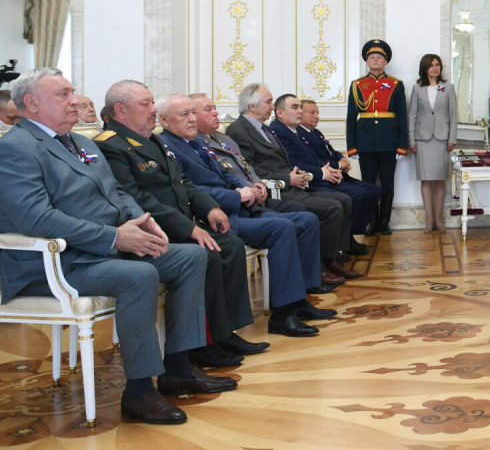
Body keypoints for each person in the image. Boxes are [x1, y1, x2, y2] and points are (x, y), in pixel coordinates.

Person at [0, 68, 222, 425]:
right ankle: (138, 392)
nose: (74, 100)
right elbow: (36, 219)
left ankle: (178, 367)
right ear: (31, 103)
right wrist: (116, 237)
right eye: (62, 95)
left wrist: (144, 221)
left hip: (100, 252)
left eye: (72, 92)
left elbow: (117, 192)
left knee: (190, 257)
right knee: (138, 276)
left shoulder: (82, 143)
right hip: (54, 264)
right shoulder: (14, 148)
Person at [96, 80, 262, 369]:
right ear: (120, 111)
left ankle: (224, 333)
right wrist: (190, 229)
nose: (152, 110)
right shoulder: (111, 145)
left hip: (180, 224)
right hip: (157, 231)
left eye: (152, 103)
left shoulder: (154, 140)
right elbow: (136, 199)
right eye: (145, 104)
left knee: (231, 245)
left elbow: (182, 183)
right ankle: (202, 344)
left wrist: (209, 207)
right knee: (210, 253)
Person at [157, 93, 331, 337]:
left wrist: (245, 186)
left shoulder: (197, 143)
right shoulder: (167, 147)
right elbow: (190, 189)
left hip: (241, 207)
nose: (193, 119)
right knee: (282, 227)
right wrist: (236, 196)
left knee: (306, 219)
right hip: (221, 216)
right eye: (186, 114)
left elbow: (224, 173)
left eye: (194, 113)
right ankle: (282, 315)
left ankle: (297, 300)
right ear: (164, 120)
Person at [190, 91, 343, 292]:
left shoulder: (221, 137)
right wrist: (247, 189)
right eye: (208, 110)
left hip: (256, 196)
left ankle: (310, 280)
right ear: (252, 106)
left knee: (308, 218)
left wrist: (255, 183)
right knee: (291, 220)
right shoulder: (217, 137)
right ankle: (292, 300)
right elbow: (203, 184)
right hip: (232, 208)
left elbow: (244, 166)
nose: (217, 113)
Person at [227, 83, 363, 282]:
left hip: (293, 185)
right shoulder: (239, 130)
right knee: (331, 206)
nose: (273, 107)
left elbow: (283, 160)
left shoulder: (263, 128)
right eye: (268, 102)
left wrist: (297, 174)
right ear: (252, 106)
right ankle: (319, 266)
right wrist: (287, 178)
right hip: (278, 192)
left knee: (342, 200)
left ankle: (329, 259)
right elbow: (250, 169)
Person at [345, 39, 408, 234]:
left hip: (389, 140)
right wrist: (352, 145)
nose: (375, 59)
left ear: (385, 61)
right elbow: (350, 116)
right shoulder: (357, 85)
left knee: (388, 183)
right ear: (366, 60)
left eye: (379, 57)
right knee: (368, 184)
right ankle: (371, 221)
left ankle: (384, 222)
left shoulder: (396, 84)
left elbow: (402, 117)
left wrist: (401, 145)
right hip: (365, 141)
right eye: (372, 56)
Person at [297, 98, 381, 238]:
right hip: (324, 178)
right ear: (300, 114)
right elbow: (315, 160)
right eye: (312, 113)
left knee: (374, 190)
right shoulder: (300, 133)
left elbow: (330, 151)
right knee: (359, 194)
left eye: (317, 112)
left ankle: (352, 232)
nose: (317, 116)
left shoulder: (315, 132)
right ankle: (347, 238)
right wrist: (338, 165)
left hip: (338, 174)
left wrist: (342, 159)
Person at [407, 53, 458, 232]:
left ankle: (439, 216)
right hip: (422, 139)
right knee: (426, 180)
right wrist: (411, 140)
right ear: (424, 68)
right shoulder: (417, 89)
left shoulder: (448, 88)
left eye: (437, 64)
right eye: (431, 65)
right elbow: (412, 115)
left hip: (443, 139)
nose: (435, 68)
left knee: (441, 179)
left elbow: (453, 115)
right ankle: (429, 218)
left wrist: (452, 138)